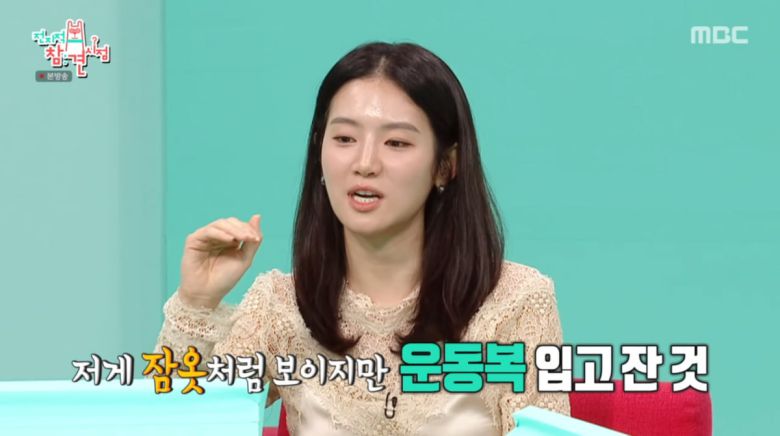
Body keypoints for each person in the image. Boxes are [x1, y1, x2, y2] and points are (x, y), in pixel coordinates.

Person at [154, 41, 569, 435]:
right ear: (319, 152)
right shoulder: (281, 308)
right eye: (344, 139)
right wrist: (196, 303)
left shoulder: (517, 302)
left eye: (396, 142)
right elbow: (178, 425)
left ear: (445, 166)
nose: (365, 163)